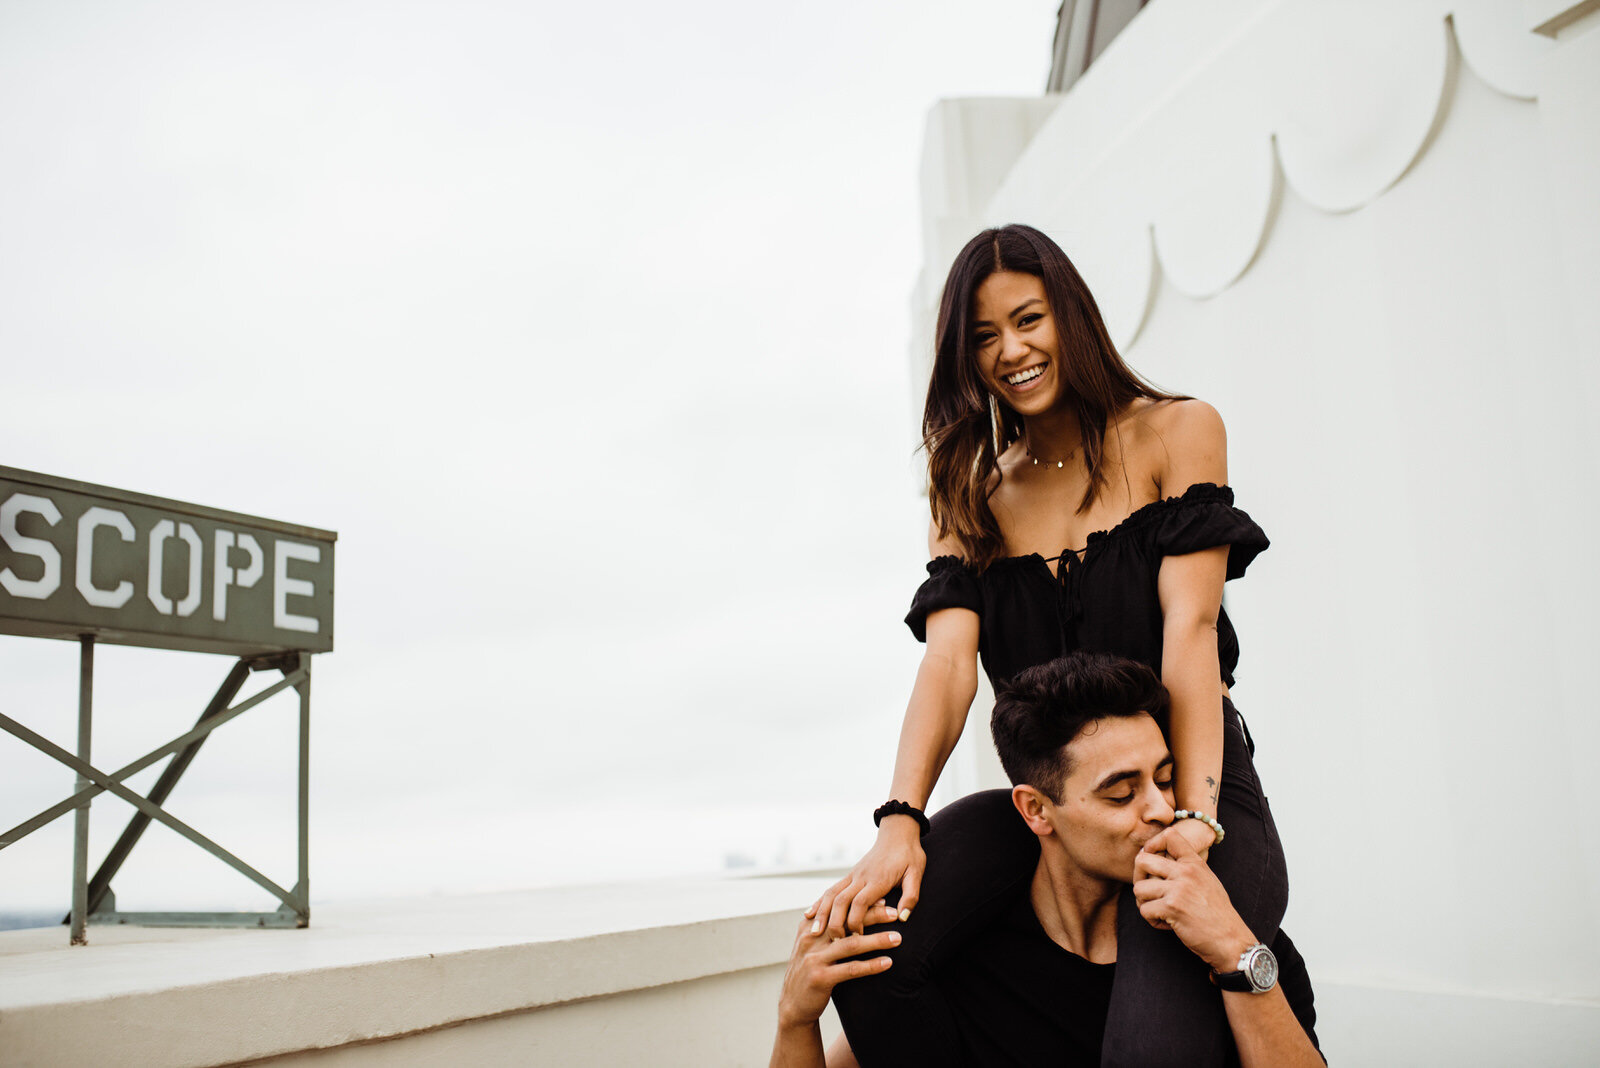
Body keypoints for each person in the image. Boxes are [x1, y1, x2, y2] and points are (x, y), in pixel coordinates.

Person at [809, 224, 1290, 1067]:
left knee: (1149, 1026)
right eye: (983, 336)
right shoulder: (970, 491)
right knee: (870, 953)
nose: (1012, 351)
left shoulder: (1175, 432)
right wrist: (900, 820)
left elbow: (1192, 629)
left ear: (1069, 314)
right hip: (1053, 803)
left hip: (1187, 779)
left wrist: (1197, 817)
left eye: (1028, 319)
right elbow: (951, 664)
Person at [772, 653, 1321, 1068]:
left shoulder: (1233, 934)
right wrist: (795, 1023)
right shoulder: (964, 959)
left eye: (1164, 778)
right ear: (1036, 810)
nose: (1162, 811)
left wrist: (1234, 948)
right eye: (1120, 793)